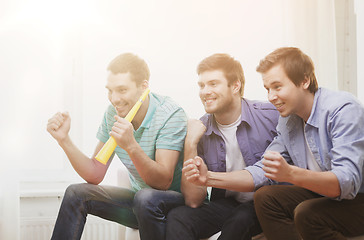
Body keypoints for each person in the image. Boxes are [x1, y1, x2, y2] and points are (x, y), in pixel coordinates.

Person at [182, 47, 364, 240]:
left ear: (304, 80)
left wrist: (291, 174)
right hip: (324, 196)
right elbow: (262, 171)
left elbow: (347, 184)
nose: (271, 97)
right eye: (268, 89)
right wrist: (208, 178)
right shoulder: (288, 120)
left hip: (356, 198)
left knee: (306, 213)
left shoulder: (342, 110)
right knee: (266, 197)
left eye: (277, 87)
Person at [47, 53, 187, 240]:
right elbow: (95, 173)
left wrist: (131, 145)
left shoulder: (170, 114)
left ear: (144, 87)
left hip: (175, 206)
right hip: (140, 204)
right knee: (76, 193)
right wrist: (64, 140)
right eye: (110, 90)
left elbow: (163, 182)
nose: (114, 99)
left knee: (146, 197)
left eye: (122, 90)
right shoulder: (113, 113)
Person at [166, 53, 279, 240]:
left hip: (265, 203)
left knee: (240, 220)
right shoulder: (200, 130)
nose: (205, 91)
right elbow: (193, 201)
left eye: (213, 84)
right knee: (178, 217)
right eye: (201, 85)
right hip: (228, 204)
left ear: (236, 85)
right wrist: (190, 143)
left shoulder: (271, 116)